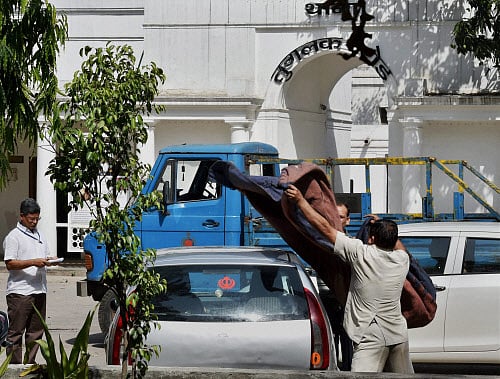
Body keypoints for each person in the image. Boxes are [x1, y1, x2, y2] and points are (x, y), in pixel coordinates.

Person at [285, 185, 413, 373]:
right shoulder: (402, 260)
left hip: (371, 334)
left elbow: (325, 229)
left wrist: (300, 201)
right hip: (398, 333)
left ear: (371, 238)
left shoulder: (360, 253)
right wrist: (383, 226)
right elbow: (399, 247)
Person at [3, 198, 59, 364]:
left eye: (37, 219)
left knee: (36, 331)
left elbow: (44, 255)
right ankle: (13, 367)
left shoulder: (40, 234)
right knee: (16, 332)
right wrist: (34, 262)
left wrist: (51, 260)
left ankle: (29, 364)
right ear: (22, 216)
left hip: (39, 290)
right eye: (31, 219)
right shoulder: (14, 237)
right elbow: (10, 263)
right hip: (20, 292)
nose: (34, 222)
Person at [319, 202, 353, 370]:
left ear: (347, 220)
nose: (336, 221)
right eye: (333, 217)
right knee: (329, 340)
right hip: (326, 297)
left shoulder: (354, 244)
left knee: (348, 341)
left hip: (347, 299)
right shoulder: (321, 241)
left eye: (340, 217)